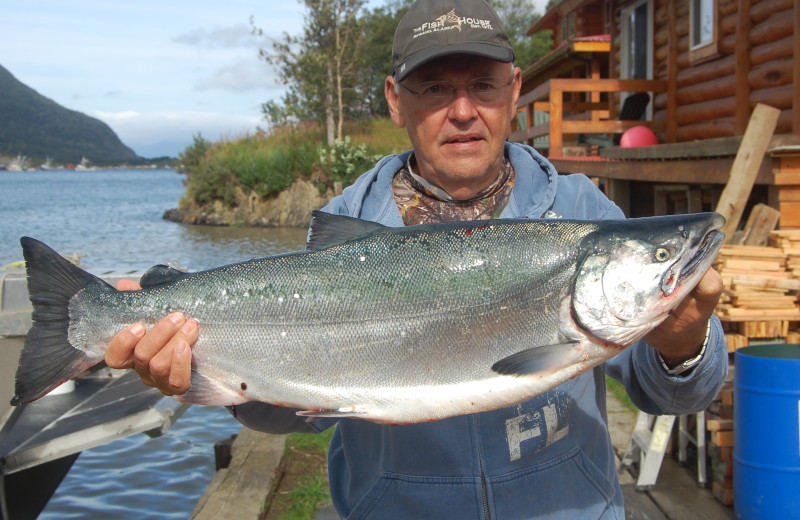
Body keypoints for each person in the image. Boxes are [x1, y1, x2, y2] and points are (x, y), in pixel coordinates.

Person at [106, 0, 727, 517]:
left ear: (513, 92)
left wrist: (684, 342)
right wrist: (219, 378)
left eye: (481, 85)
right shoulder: (349, 226)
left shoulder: (584, 214)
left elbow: (675, 395)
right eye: (434, 88)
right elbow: (301, 415)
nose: (462, 110)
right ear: (395, 100)